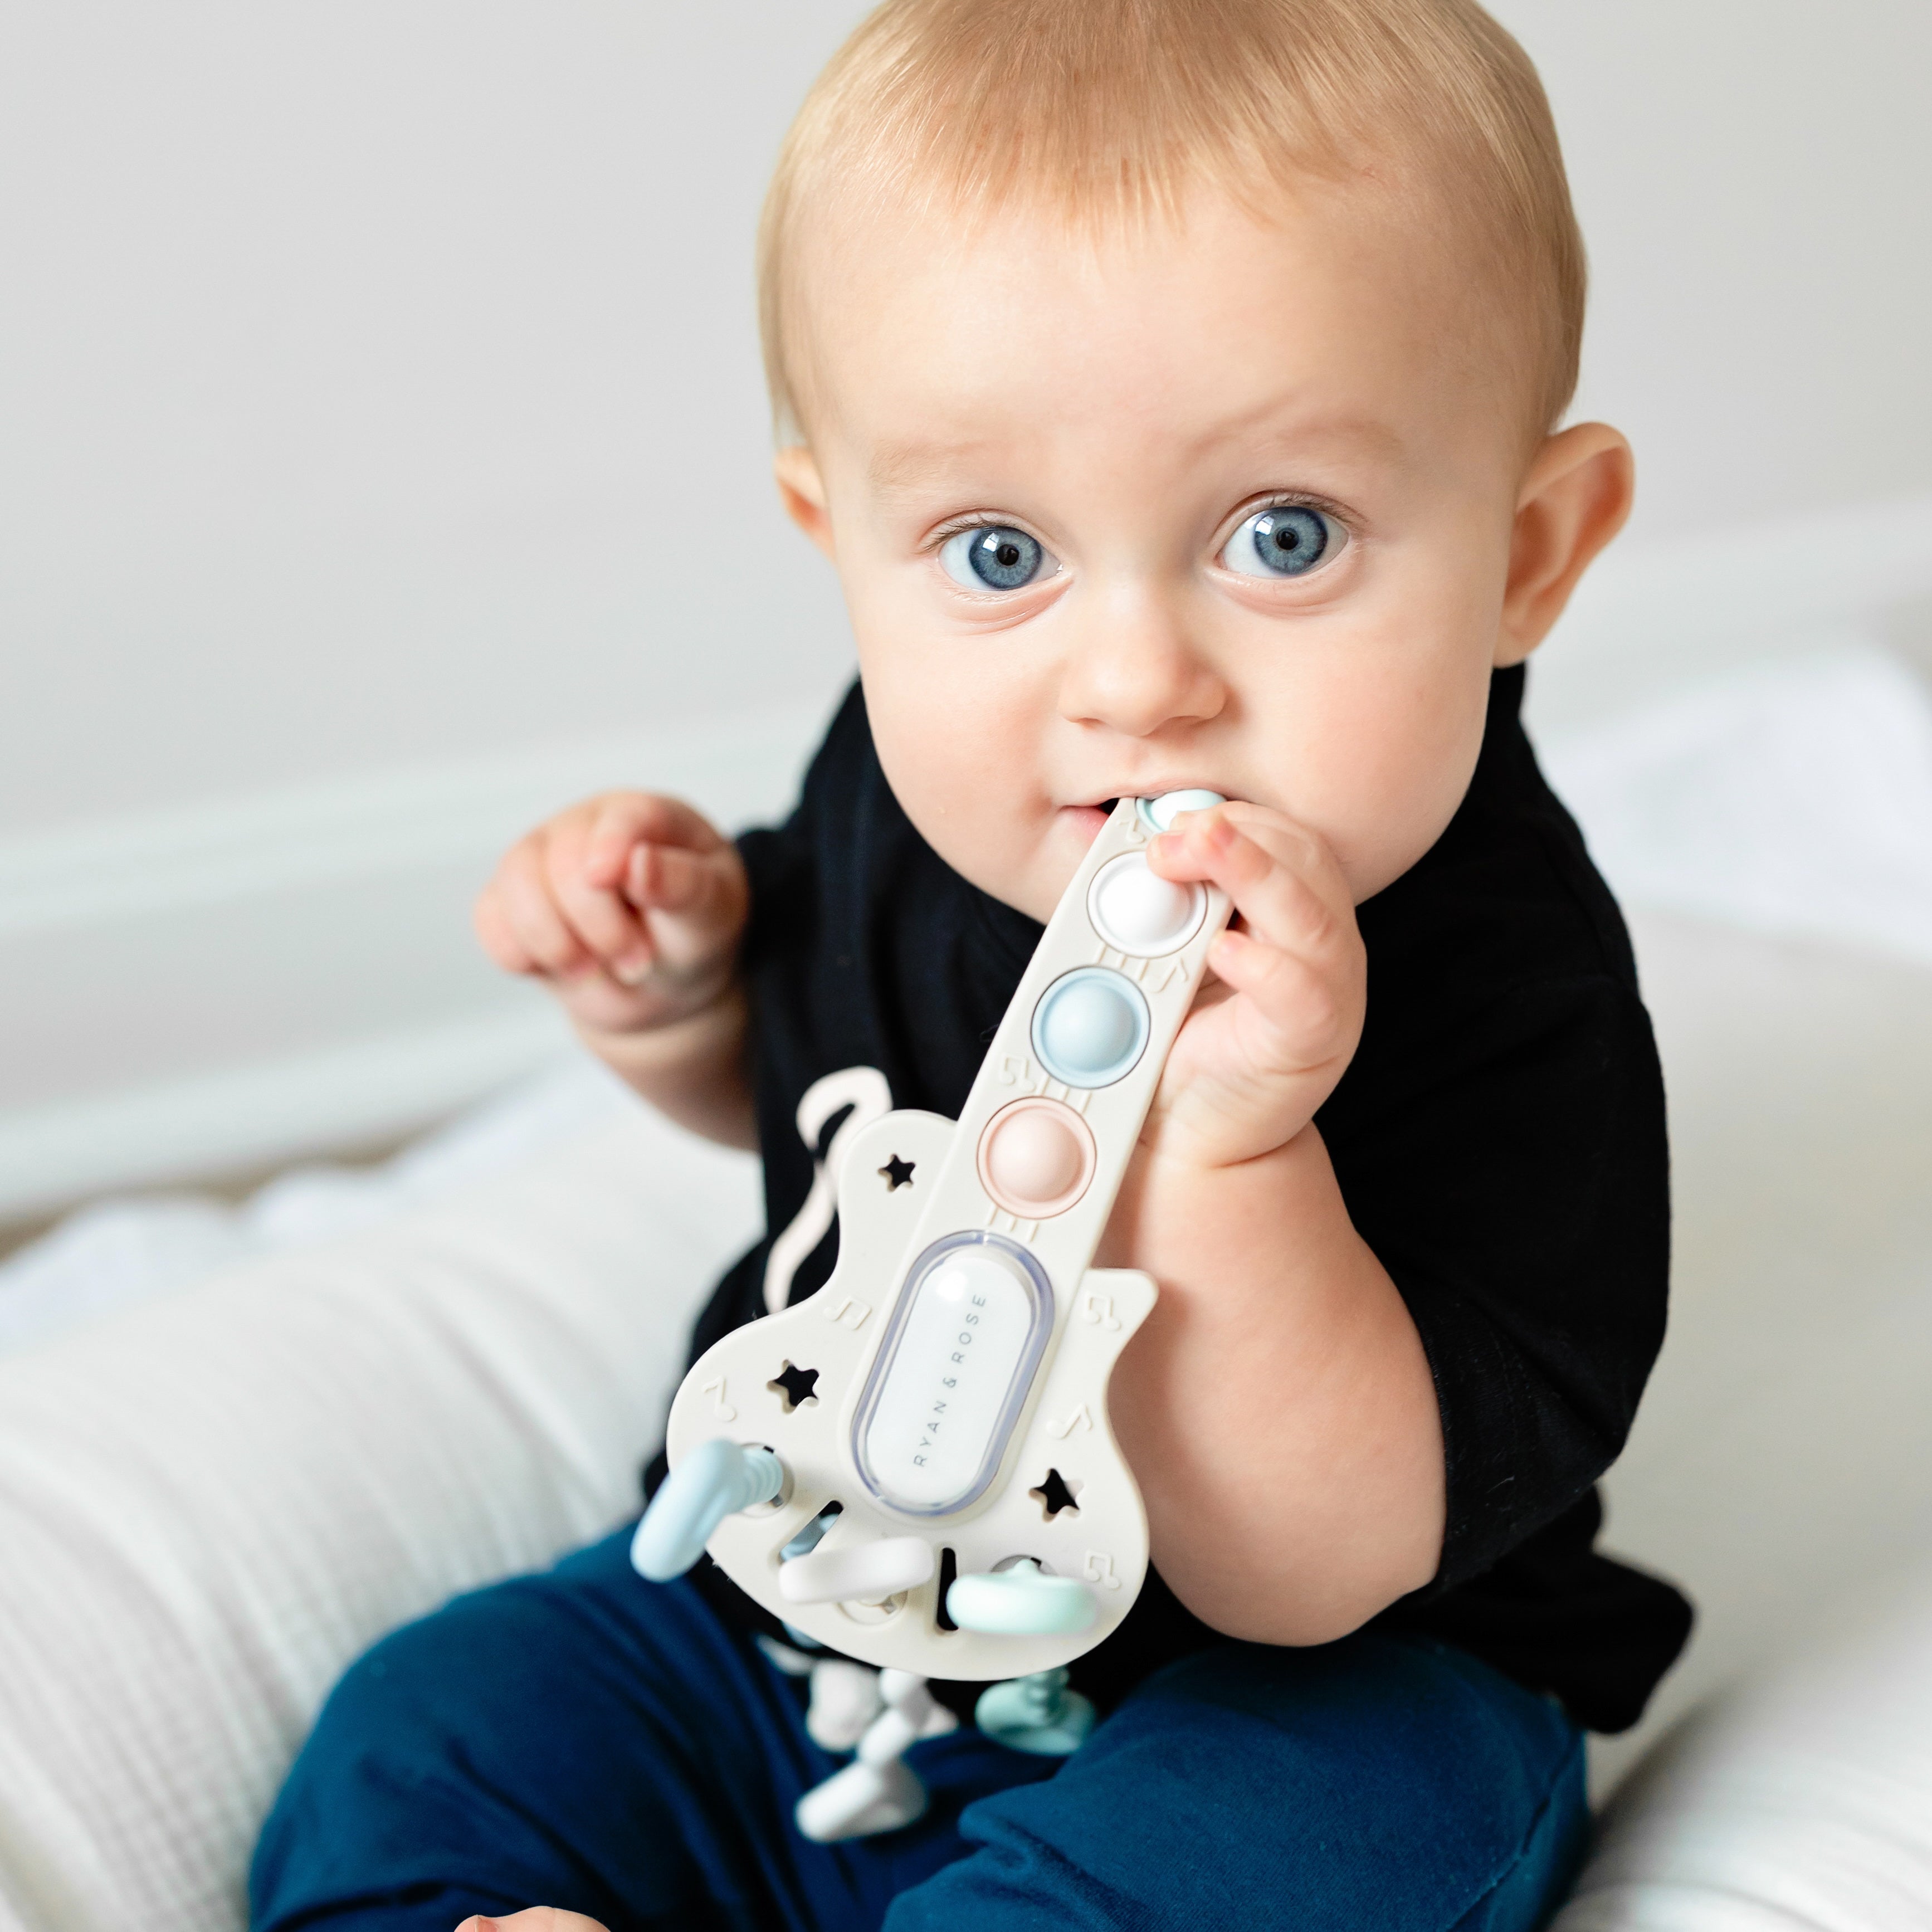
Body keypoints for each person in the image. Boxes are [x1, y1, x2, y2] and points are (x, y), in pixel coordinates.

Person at [251, 2, 1692, 1926]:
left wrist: (1235, 1150)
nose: (1133, 682)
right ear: (839, 537)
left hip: (1266, 1689)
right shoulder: (912, 789)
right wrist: (677, 999)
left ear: (1526, 551)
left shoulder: (1512, 982)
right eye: (1000, 556)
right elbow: (814, 1093)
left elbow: (1304, 1574)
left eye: (1282, 535)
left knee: (1356, 1814)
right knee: (440, 1725)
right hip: (824, 1605)